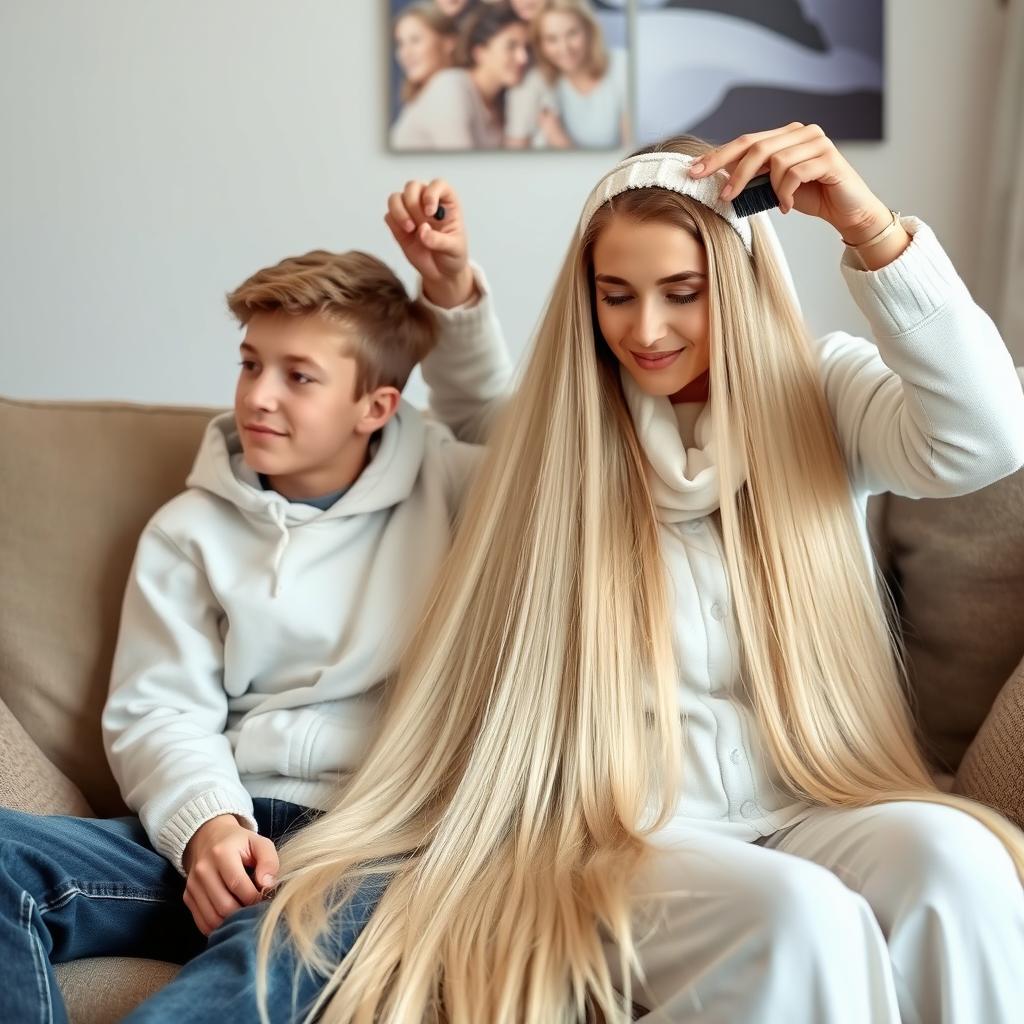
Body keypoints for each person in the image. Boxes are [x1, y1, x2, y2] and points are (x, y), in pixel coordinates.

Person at [134, 125, 1024, 1023]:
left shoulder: (823, 391)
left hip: (813, 791)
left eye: (683, 293)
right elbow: (485, 418)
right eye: (616, 295)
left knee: (960, 860)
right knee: (802, 919)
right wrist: (447, 291)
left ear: (743, 283)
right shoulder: (575, 425)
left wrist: (870, 228)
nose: (646, 330)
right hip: (623, 827)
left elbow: (985, 439)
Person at [0, 240, 512, 1023]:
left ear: (374, 406)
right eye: (250, 364)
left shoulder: (457, 488)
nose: (258, 397)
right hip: (227, 819)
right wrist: (209, 825)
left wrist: (452, 296)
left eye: (298, 376)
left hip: (369, 843)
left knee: (274, 950)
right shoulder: (188, 530)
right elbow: (159, 709)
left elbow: (541, 441)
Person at [390, 2, 530, 150]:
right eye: (511, 46)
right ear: (480, 52)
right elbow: (462, 168)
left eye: (527, 48)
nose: (523, 58)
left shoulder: (497, 104)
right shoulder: (450, 87)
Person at [508, 0, 628, 149]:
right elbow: (514, 154)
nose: (564, 48)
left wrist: (562, 144)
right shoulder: (538, 81)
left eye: (572, 33)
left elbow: (630, 154)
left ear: (588, 30)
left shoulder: (621, 66)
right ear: (541, 44)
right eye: (552, 39)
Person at [391, 1, 458, 113]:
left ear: (448, 43)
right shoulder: (417, 99)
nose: (406, 53)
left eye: (416, 40)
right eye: (401, 43)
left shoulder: (452, 87)